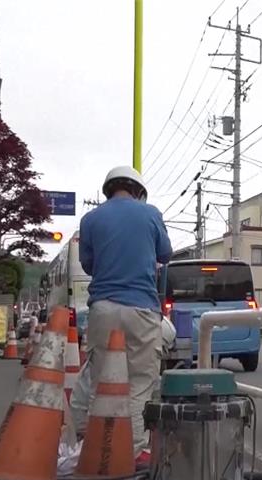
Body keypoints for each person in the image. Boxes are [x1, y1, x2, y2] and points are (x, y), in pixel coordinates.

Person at [74, 166, 171, 464]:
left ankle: (97, 454)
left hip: (103, 308)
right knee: (140, 383)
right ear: (138, 191)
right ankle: (132, 455)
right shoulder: (150, 213)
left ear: (108, 190)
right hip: (141, 307)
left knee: (101, 382)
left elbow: (88, 265)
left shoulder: (90, 219)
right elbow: (165, 254)